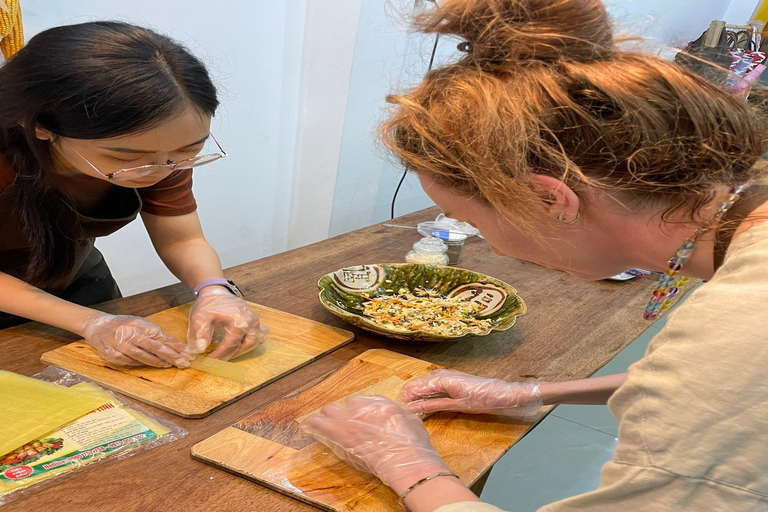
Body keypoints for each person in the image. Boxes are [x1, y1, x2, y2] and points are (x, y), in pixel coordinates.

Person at [301, 0, 768, 510]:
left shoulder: (744, 324)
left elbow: (721, 371)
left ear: (549, 200)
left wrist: (408, 466)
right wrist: (530, 392)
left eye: (474, 223)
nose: (491, 245)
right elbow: (699, 382)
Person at [0, 21, 266, 368]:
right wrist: (88, 322)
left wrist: (214, 290)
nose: (161, 170)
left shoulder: (161, 150)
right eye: (125, 158)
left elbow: (181, 239)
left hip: (77, 282)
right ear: (41, 128)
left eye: (189, 149)